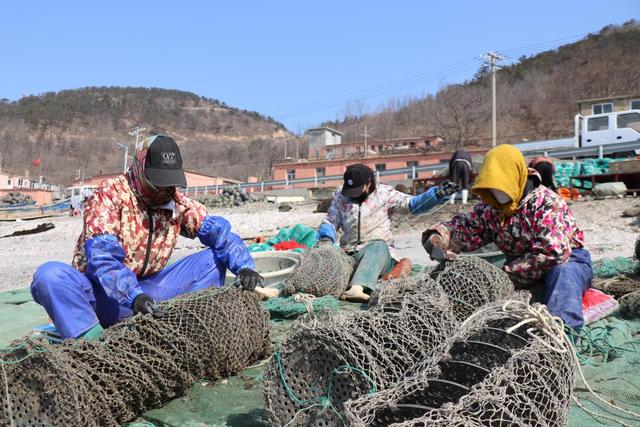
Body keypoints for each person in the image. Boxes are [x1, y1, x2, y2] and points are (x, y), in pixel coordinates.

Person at [30, 135, 262, 340]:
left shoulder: (176, 202)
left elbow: (220, 235)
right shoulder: (110, 196)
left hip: (149, 294)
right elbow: (103, 260)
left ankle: (188, 329)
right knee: (49, 276)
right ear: (141, 169)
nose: (164, 190)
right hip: (105, 298)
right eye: (158, 183)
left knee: (213, 259)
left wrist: (244, 266)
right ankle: (91, 344)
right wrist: (133, 296)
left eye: (169, 183)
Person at [422, 145, 592, 329]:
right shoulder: (492, 208)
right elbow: (465, 227)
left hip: (568, 262)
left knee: (562, 275)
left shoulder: (547, 203)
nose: (496, 193)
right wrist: (438, 237)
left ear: (516, 178)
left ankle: (564, 333)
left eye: (500, 186)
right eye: (490, 188)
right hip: (518, 267)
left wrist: (503, 277)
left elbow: (552, 253)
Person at [318, 164, 458, 302]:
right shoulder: (340, 197)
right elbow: (330, 220)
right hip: (350, 253)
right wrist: (326, 239)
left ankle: (358, 288)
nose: (353, 195)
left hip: (380, 254)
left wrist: (436, 194)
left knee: (378, 245)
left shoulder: (384, 193)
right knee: (329, 257)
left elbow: (412, 204)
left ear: (368, 184)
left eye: (358, 190)